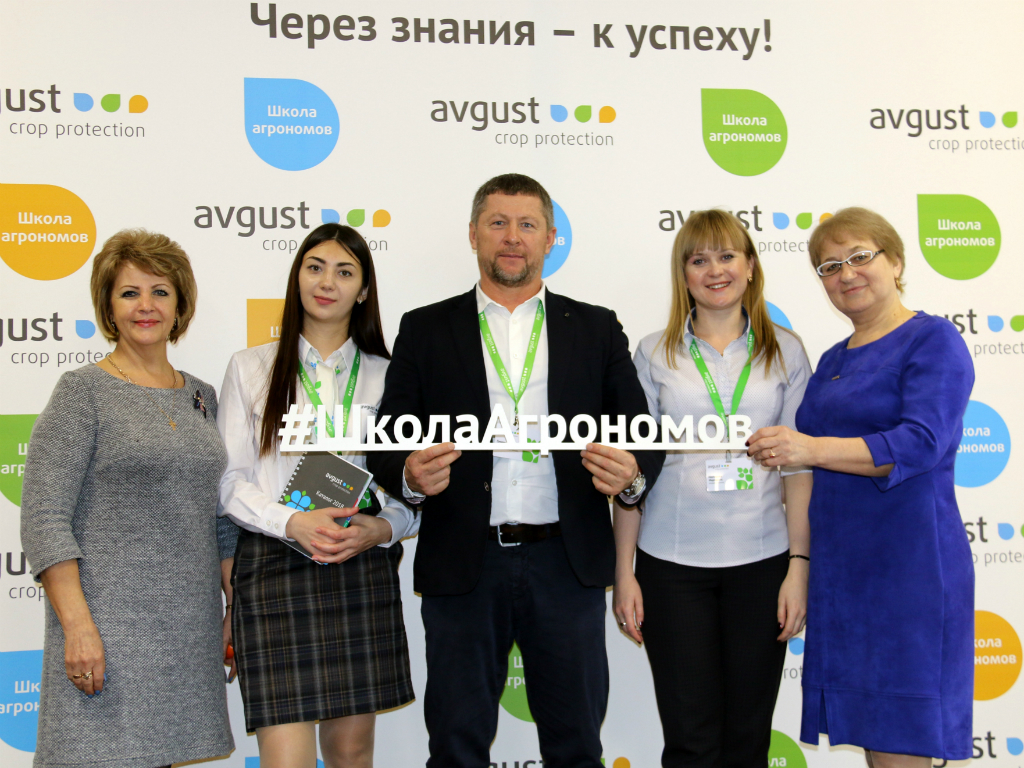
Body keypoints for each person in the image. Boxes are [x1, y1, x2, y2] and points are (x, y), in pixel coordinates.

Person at [366, 173, 665, 768]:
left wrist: (630, 478)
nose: (512, 237)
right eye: (497, 223)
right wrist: (408, 478)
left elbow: (641, 432)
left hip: (567, 563)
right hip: (464, 562)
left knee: (577, 745)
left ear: (550, 238)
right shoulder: (425, 327)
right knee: (455, 745)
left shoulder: (596, 326)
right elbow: (387, 439)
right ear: (473, 234)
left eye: (527, 224)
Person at [747, 208, 975, 765]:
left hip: (910, 572)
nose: (845, 273)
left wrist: (809, 448)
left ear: (895, 262)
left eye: (859, 257)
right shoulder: (831, 360)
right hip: (843, 576)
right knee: (877, 745)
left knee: (902, 743)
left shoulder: (933, 339)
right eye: (829, 266)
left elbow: (920, 442)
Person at [20, 229, 236, 768]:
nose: (146, 306)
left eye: (160, 292)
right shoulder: (83, 392)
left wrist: (236, 608)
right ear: (109, 307)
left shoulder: (202, 396)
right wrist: (77, 627)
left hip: (186, 634)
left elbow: (219, 519)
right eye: (129, 293)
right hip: (105, 632)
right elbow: (45, 517)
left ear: (179, 306)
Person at [612, 210, 812, 767]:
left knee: (748, 740)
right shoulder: (653, 353)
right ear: (683, 274)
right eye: (699, 260)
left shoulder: (787, 351)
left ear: (750, 267)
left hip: (763, 561)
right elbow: (634, 475)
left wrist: (799, 566)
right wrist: (624, 570)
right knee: (690, 741)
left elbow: (800, 470)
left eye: (727, 256)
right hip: (671, 564)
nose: (715, 270)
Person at [217, 223, 417, 768]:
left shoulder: (389, 376)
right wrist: (291, 521)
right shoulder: (250, 367)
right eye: (315, 267)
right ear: (297, 276)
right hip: (274, 564)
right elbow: (229, 482)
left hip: (359, 563)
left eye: (344, 272)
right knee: (287, 759)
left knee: (352, 753)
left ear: (364, 289)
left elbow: (411, 487)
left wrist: (385, 527)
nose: (327, 282)